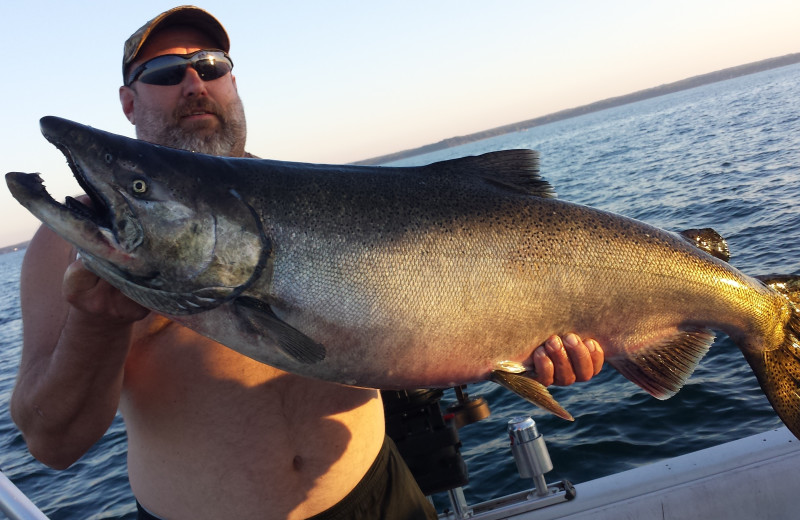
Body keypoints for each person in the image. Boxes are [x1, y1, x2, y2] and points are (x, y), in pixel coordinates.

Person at [10, 6, 604, 520]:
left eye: (212, 65)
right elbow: (52, 444)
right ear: (127, 101)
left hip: (383, 493)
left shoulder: (311, 196)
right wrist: (97, 323)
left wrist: (527, 348)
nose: (195, 82)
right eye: (165, 73)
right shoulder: (74, 243)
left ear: (233, 84)